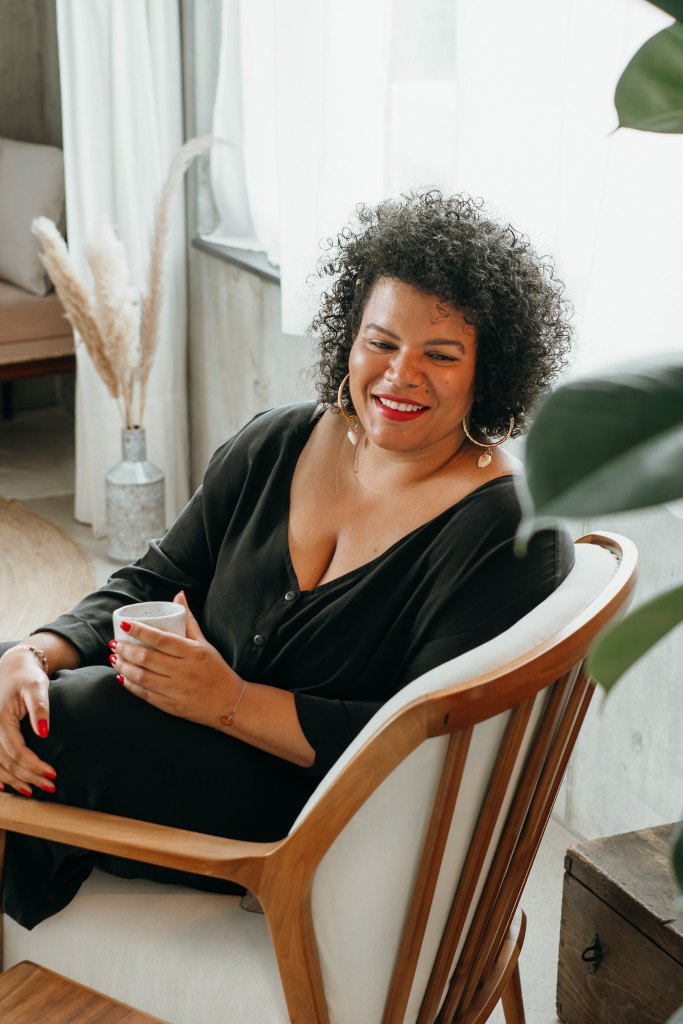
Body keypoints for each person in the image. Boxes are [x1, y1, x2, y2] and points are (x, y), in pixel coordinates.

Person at [0, 190, 573, 930]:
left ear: (487, 372)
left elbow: (421, 749)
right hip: (189, 752)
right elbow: (149, 581)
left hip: (318, 820)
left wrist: (228, 701)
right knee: (16, 685)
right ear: (347, 339)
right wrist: (34, 652)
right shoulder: (278, 442)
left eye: (439, 354)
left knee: (66, 721)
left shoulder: (508, 531)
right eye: (380, 342)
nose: (399, 375)